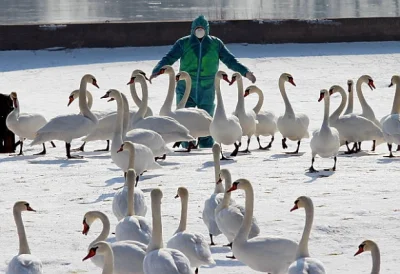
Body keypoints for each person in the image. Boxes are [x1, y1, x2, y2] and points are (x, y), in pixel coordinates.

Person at [150, 15, 256, 149]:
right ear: (192, 29)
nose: (199, 31)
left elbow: (230, 60)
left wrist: (245, 72)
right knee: (181, 119)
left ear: (207, 29)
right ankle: (186, 143)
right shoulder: (183, 43)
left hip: (207, 87)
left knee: (208, 120)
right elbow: (169, 58)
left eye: (202, 28)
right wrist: (156, 71)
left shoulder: (215, 44)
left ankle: (207, 145)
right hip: (186, 86)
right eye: (197, 28)